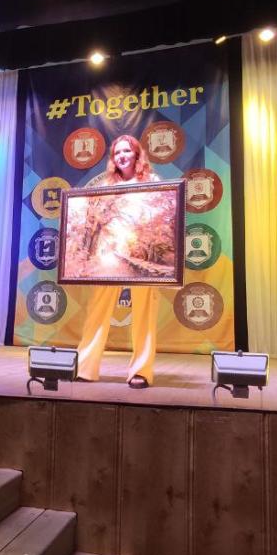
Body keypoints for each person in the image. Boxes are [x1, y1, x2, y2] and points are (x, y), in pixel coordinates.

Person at [76, 135, 162, 388]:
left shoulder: (152, 183)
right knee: (97, 310)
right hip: (109, 255)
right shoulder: (106, 186)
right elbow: (94, 222)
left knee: (145, 313)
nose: (122, 156)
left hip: (143, 256)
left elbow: (162, 218)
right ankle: (85, 367)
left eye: (127, 151)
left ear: (137, 154)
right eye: (117, 153)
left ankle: (141, 371)